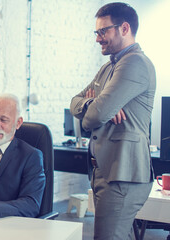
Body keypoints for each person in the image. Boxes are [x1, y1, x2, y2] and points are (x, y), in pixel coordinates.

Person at [70, 3, 156, 239]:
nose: (98, 39)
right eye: (96, 32)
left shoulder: (134, 63)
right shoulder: (108, 68)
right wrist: (92, 103)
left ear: (124, 28)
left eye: (103, 31)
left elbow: (95, 118)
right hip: (106, 172)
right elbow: (74, 102)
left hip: (123, 173)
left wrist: (98, 107)